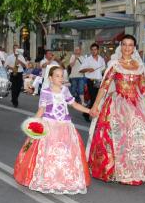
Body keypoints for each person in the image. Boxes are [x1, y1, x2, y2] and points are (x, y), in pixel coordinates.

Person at [87, 35, 145, 184]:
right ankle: (120, 171)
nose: (127, 48)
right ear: (120, 46)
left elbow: (144, 89)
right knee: (119, 137)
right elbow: (104, 86)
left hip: (136, 104)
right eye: (124, 44)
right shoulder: (115, 65)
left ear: (134, 48)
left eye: (130, 45)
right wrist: (95, 106)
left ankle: (139, 170)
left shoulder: (139, 66)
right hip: (118, 103)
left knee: (142, 134)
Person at [14, 66, 92, 194]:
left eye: (62, 76)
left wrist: (89, 111)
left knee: (66, 153)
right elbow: (41, 110)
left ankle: (66, 178)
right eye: (57, 76)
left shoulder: (65, 90)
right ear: (50, 78)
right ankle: (48, 178)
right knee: (48, 153)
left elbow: (74, 104)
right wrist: (32, 124)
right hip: (50, 126)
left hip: (65, 126)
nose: (60, 78)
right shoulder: (46, 92)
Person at [80, 43, 106, 122]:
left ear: (98, 50)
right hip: (91, 81)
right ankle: (86, 113)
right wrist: (88, 69)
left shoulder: (101, 59)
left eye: (95, 49)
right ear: (90, 50)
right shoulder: (87, 59)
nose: (94, 51)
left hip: (99, 81)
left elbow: (103, 69)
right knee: (94, 99)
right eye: (92, 50)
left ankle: (94, 115)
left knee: (99, 99)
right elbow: (81, 70)